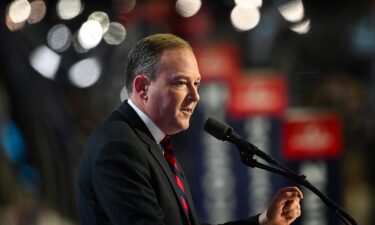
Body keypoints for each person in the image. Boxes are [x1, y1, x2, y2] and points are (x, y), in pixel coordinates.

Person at [77, 33, 303, 225]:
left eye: (196, 84)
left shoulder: (151, 144)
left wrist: (262, 221)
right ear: (143, 88)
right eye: (181, 83)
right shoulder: (120, 149)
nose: (195, 97)